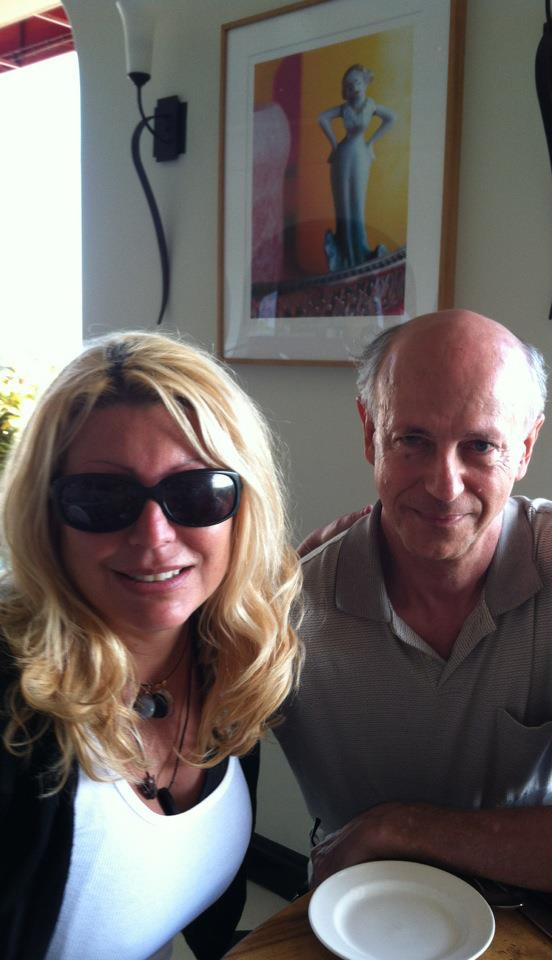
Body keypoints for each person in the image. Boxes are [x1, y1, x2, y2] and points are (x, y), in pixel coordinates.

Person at [276, 309, 552, 911]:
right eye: (413, 440)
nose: (444, 486)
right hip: (359, 913)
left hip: (539, 910)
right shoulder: (289, 603)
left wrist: (398, 828)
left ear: (525, 447)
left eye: (481, 446)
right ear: (370, 432)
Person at [0, 331, 302, 960]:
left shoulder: (227, 659)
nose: (155, 537)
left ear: (242, 509)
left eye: (197, 493)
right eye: (101, 498)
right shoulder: (13, 704)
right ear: (46, 516)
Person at [319, 64, 396, 272]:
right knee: (342, 205)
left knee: (357, 204)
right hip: (343, 155)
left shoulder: (371, 106)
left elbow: (392, 118)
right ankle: (343, 257)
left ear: (365, 83)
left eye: (357, 82)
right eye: (349, 84)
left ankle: (359, 256)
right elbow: (321, 118)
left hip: (361, 155)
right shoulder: (344, 108)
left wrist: (371, 143)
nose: (354, 87)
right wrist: (334, 145)